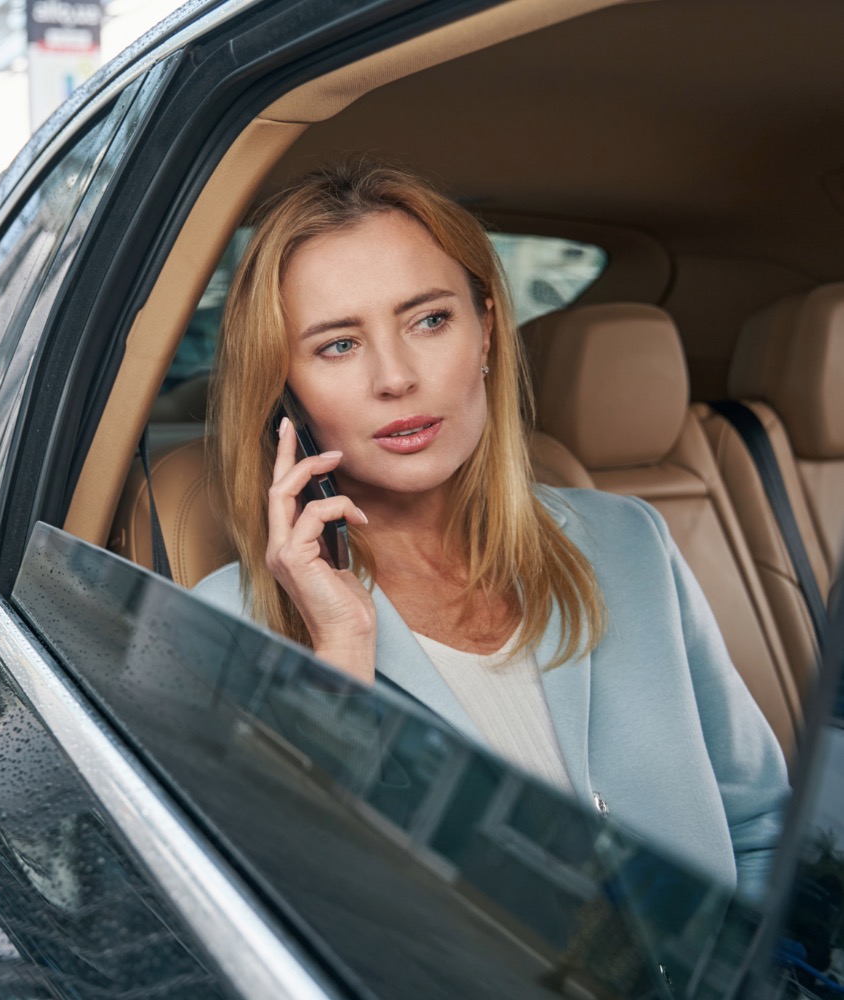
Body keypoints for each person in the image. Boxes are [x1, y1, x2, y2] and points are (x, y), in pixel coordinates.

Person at [194, 161, 789, 902]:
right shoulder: (223, 621)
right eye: (338, 345)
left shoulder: (630, 542)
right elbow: (299, 921)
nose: (396, 376)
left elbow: (762, 831)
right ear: (288, 391)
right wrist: (341, 654)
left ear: (486, 333)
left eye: (429, 320)